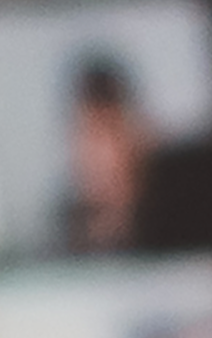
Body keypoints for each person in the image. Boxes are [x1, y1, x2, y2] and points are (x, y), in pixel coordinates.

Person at [62, 56, 157, 253]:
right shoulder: (66, 225)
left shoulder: (175, 212)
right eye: (83, 132)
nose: (91, 152)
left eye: (104, 131)